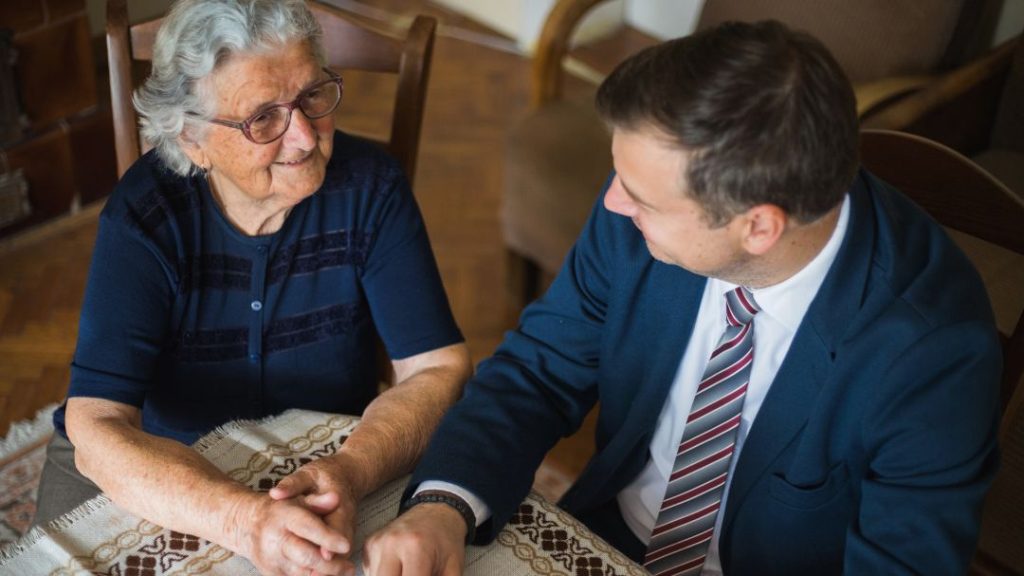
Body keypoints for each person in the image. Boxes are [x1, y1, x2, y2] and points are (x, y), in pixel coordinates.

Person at [362, 19, 1003, 576]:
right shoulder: (636, 214)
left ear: (758, 225)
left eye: (641, 198)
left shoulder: (934, 356)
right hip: (601, 539)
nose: (613, 202)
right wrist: (444, 505)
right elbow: (536, 373)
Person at [33, 1, 471, 575]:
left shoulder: (371, 188)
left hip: (331, 456)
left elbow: (439, 367)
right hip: (172, 466)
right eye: (263, 118)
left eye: (313, 96)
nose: (306, 138)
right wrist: (244, 520)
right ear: (191, 139)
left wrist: (352, 470)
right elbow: (97, 424)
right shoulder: (146, 217)